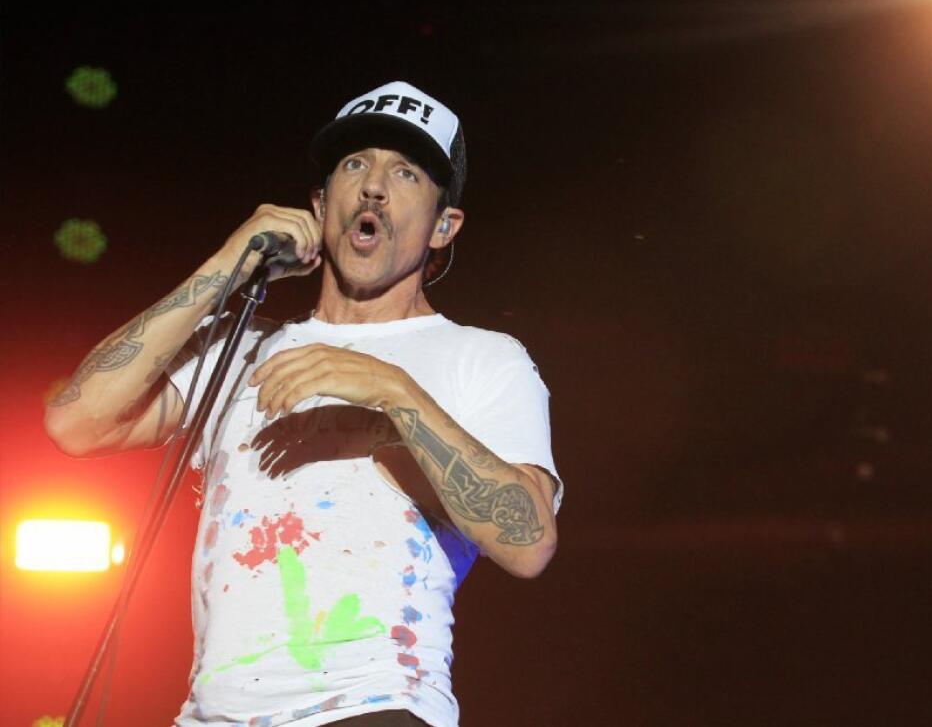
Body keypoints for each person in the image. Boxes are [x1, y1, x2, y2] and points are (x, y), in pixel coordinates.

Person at [44, 81, 563, 727]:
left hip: (375, 706)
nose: (373, 186)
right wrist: (229, 262)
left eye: (404, 172)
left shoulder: (481, 358)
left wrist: (395, 394)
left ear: (442, 226)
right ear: (321, 205)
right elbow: (76, 421)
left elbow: (530, 542)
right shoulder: (240, 349)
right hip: (208, 716)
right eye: (354, 165)